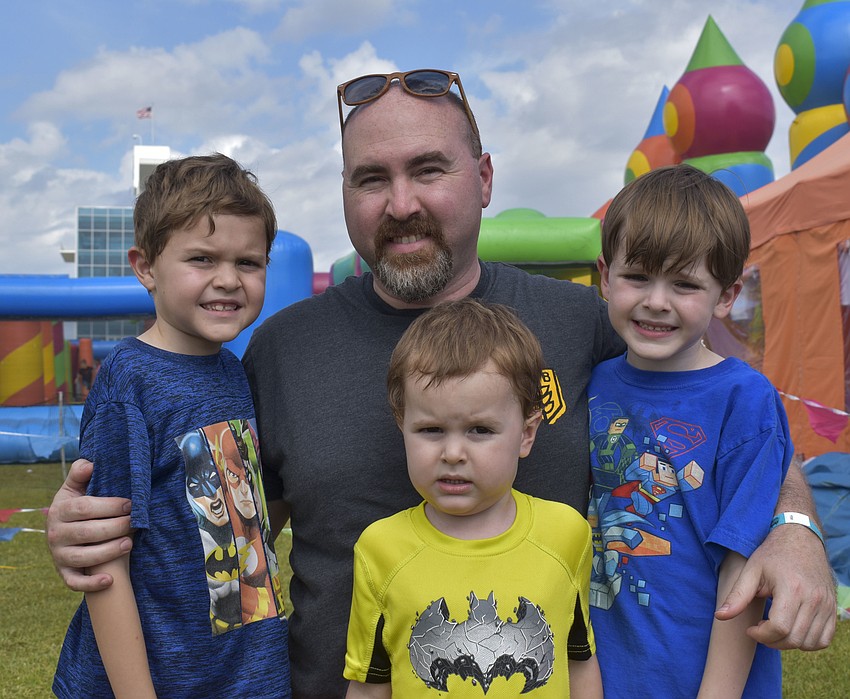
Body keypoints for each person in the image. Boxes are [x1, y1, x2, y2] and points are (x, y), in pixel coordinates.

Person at [45, 70, 836, 698]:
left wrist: (793, 526)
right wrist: (96, 523)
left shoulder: (588, 322)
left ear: (484, 178)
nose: (402, 203)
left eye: (429, 169)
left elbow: (728, 407)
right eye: (371, 178)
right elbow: (231, 530)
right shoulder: (282, 349)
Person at [51, 154, 291, 699]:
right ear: (146, 267)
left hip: (247, 669)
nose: (228, 280)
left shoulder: (233, 370)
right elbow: (103, 561)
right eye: (202, 258)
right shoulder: (129, 382)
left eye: (249, 262)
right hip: (160, 679)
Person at [588, 164, 799, 697]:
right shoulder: (593, 381)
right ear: (605, 276)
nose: (656, 301)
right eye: (637, 277)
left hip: (705, 681)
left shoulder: (745, 401)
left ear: (726, 296)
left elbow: (743, 570)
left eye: (684, 284)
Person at [344, 298, 602, 697]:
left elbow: (579, 661)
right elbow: (369, 686)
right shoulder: (381, 549)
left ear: (527, 434)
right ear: (402, 426)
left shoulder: (566, 535)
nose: (452, 453)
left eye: (480, 430)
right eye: (430, 430)